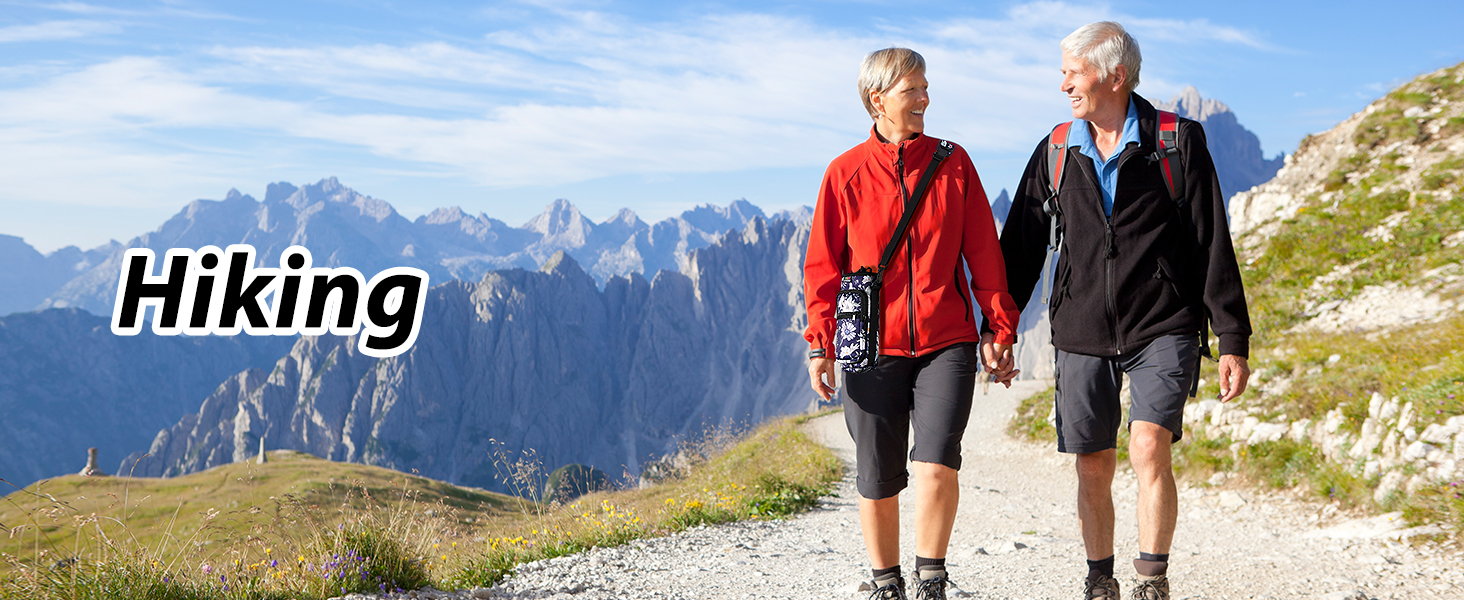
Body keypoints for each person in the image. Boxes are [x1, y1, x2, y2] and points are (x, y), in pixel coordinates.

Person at [988, 21, 1253, 600]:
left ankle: (1151, 580)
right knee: (1093, 464)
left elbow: (1212, 240)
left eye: (1072, 72)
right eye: (1063, 72)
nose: (1063, 85)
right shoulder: (1056, 150)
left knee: (1149, 443)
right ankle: (1099, 578)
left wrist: (1231, 335)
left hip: (1164, 321)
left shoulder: (1177, 141)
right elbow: (1021, 250)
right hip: (1081, 328)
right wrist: (999, 327)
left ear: (1115, 75)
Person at [803, 47, 1021, 600]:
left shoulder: (954, 163)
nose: (925, 99)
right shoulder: (844, 173)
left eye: (926, 88)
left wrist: (998, 329)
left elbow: (984, 257)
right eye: (912, 90)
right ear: (877, 99)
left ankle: (931, 578)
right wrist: (820, 344)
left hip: (946, 339)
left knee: (937, 463)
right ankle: (885, 582)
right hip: (869, 344)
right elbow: (823, 267)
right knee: (877, 475)